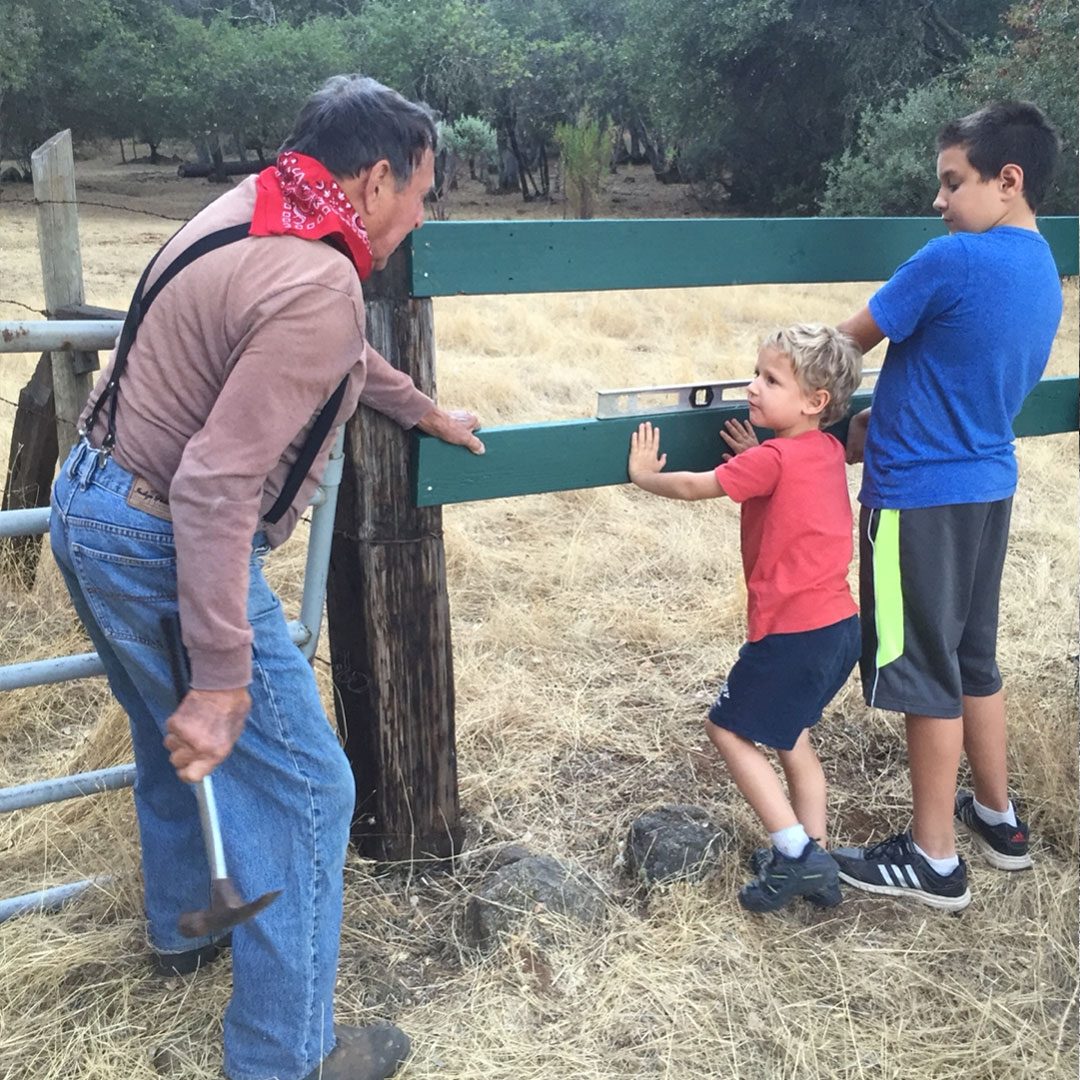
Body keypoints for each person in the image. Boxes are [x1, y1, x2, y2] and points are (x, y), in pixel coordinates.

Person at [49, 75, 483, 1080]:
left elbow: (316, 355)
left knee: (180, 747)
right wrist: (222, 675)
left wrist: (421, 409)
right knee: (308, 792)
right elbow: (211, 488)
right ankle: (285, 1057)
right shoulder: (323, 284)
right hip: (162, 534)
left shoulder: (257, 207)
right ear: (376, 181)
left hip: (92, 505)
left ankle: (183, 929)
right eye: (423, 194)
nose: (424, 217)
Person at [831, 101, 1064, 912]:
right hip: (987, 487)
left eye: (951, 182)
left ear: (1009, 180)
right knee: (972, 657)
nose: (939, 201)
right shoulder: (1043, 267)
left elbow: (840, 349)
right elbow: (960, 374)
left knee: (921, 667)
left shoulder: (951, 260)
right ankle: (997, 819)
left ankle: (933, 860)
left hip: (918, 500)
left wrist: (776, 388)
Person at [627, 324, 863, 912]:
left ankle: (793, 855)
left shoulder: (775, 457)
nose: (753, 388)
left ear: (816, 402)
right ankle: (818, 857)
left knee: (726, 728)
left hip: (792, 633)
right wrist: (756, 455)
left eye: (771, 380)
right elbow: (789, 483)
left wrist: (644, 477)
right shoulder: (825, 447)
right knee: (792, 735)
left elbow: (693, 486)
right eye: (756, 374)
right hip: (840, 628)